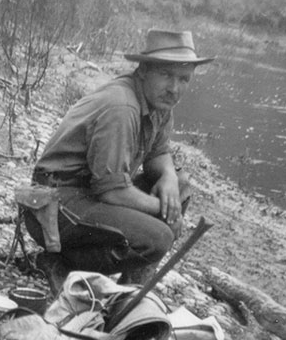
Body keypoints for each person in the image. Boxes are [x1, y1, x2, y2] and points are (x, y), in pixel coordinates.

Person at [23, 28, 214, 292]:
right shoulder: (122, 107)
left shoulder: (160, 103)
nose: (174, 88)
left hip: (89, 194)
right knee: (158, 238)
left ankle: (130, 289)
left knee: (180, 185)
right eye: (166, 75)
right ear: (144, 70)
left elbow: (159, 153)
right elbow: (112, 192)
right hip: (56, 203)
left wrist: (169, 178)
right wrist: (165, 210)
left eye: (184, 79)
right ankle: (61, 263)